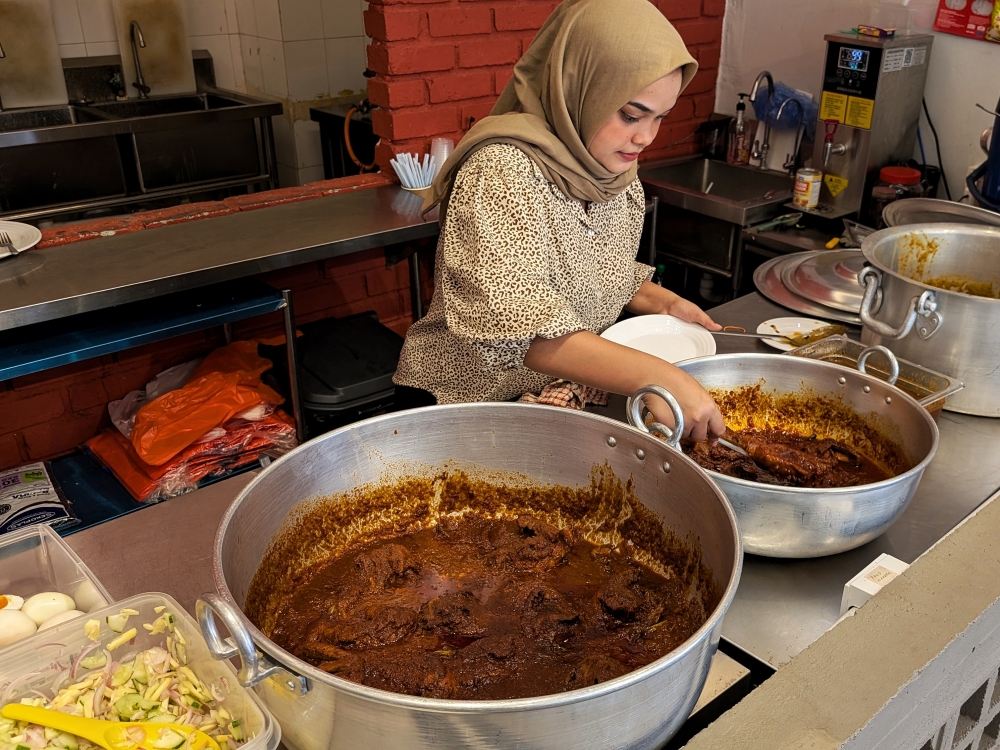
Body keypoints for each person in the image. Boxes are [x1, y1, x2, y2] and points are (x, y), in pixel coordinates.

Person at [393, 0, 725, 442]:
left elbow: (599, 272)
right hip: (461, 404)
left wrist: (665, 304)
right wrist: (663, 378)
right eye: (630, 115)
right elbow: (521, 330)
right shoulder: (502, 171)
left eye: (659, 117)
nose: (645, 137)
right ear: (578, 88)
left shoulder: (615, 176)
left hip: (543, 397)